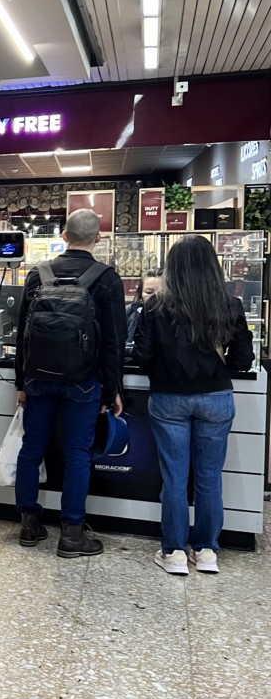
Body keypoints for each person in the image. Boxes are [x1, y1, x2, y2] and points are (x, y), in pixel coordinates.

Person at [133, 235, 254, 575]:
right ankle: (206, 551)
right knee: (209, 476)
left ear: (173, 269)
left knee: (174, 476)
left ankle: (173, 552)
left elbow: (141, 357)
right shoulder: (229, 304)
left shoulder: (155, 306)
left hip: (169, 399)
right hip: (216, 398)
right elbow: (244, 359)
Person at [13, 209, 126, 557]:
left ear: (63, 235)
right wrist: (112, 389)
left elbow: (23, 336)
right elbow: (114, 341)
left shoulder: (38, 274)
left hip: (38, 379)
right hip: (84, 382)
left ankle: (30, 525)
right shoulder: (106, 278)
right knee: (78, 454)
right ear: (98, 238)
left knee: (32, 448)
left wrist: (21, 382)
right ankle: (73, 534)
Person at [125, 269, 163, 347]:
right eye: (149, 292)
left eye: (160, 293)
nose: (155, 297)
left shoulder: (174, 318)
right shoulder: (129, 312)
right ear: (141, 292)